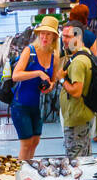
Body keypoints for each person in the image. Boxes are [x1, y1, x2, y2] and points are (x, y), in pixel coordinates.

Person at [10, 15, 60, 160]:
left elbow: (52, 81)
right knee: (26, 144)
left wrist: (49, 87)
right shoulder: (29, 51)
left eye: (48, 34)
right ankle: (21, 175)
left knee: (35, 142)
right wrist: (38, 73)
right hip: (21, 105)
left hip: (38, 106)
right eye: (42, 33)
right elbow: (16, 75)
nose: (44, 37)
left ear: (54, 37)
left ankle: (28, 172)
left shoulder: (54, 56)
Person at [59, 7, 96, 158]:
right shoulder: (85, 52)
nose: (64, 39)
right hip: (84, 116)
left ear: (78, 37)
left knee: (75, 162)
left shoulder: (78, 62)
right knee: (85, 158)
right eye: (64, 36)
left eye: (68, 37)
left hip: (76, 120)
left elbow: (76, 91)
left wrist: (61, 78)